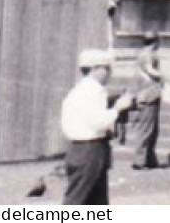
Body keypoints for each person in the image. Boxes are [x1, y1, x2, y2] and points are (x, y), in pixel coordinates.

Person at [60, 49, 134, 205]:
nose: (109, 73)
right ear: (95, 69)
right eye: (107, 68)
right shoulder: (94, 90)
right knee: (78, 200)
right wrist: (118, 108)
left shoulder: (79, 90)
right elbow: (99, 122)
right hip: (90, 149)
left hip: (80, 148)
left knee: (95, 200)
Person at [126, 33, 164, 169]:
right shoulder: (147, 54)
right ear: (155, 42)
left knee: (152, 129)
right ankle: (139, 161)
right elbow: (150, 70)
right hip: (147, 95)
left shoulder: (145, 53)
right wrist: (166, 76)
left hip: (151, 94)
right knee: (146, 129)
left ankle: (149, 159)